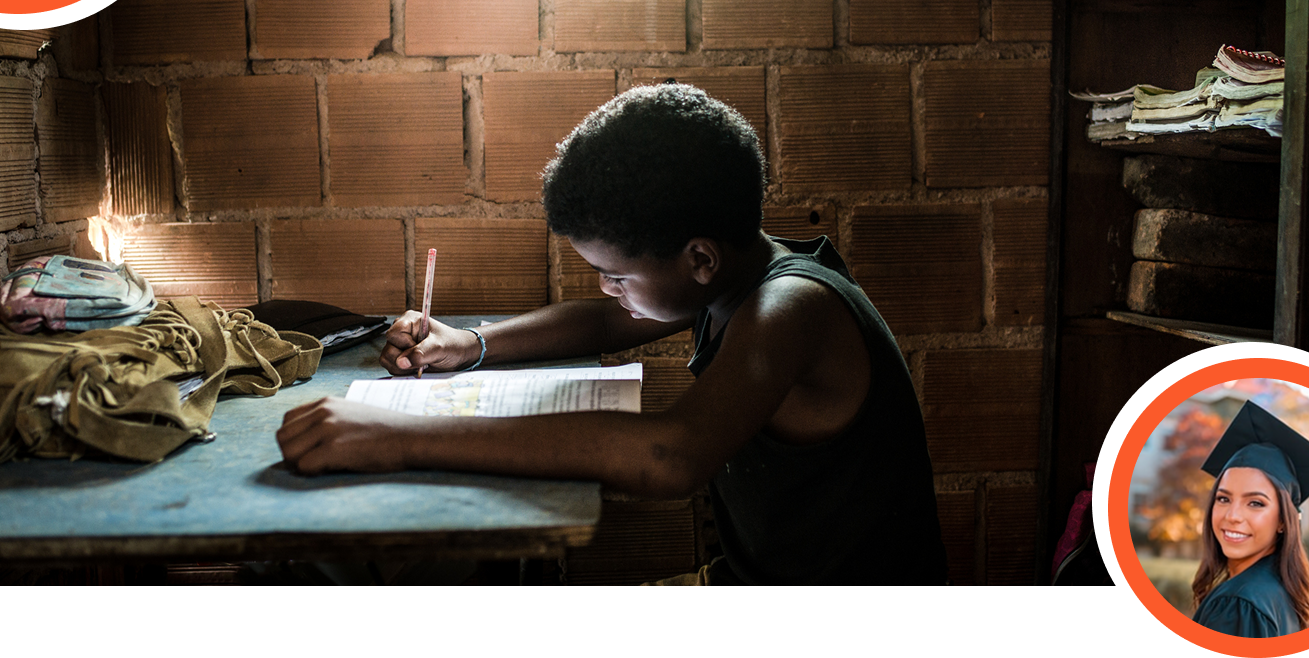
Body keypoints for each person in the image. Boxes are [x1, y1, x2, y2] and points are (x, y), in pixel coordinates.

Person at [277, 84, 948, 585]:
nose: (606, 288)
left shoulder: (790, 309)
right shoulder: (730, 276)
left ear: (699, 258)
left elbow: (671, 456)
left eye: (612, 273)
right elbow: (607, 319)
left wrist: (395, 436)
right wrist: (471, 344)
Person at [1191, 400, 1309, 636]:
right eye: (1223, 499)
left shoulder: (1238, 604)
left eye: (1255, 503)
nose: (1233, 516)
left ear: (1283, 521)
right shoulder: (1279, 592)